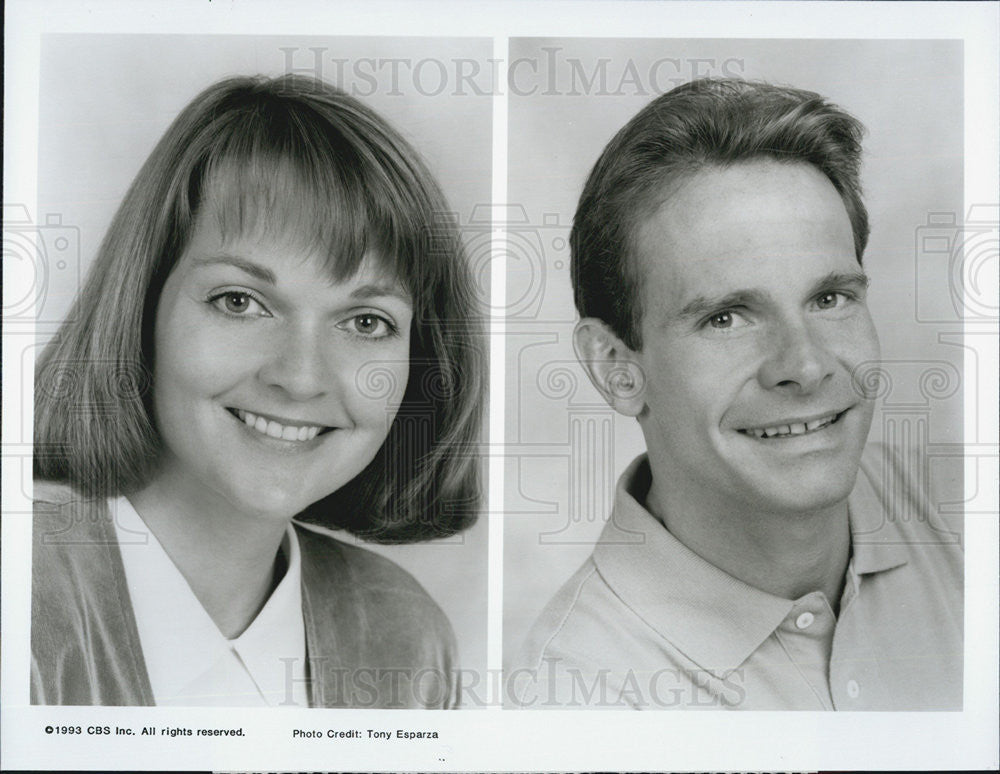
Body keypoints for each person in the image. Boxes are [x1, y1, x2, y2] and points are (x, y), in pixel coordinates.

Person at [31, 74, 484, 708]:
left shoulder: (405, 643)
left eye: (365, 322)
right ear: (140, 308)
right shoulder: (19, 595)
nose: (299, 378)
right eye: (240, 302)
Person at [512, 78, 963, 710]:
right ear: (616, 366)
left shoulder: (964, 515)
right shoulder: (571, 699)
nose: (804, 366)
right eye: (726, 317)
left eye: (829, 298)